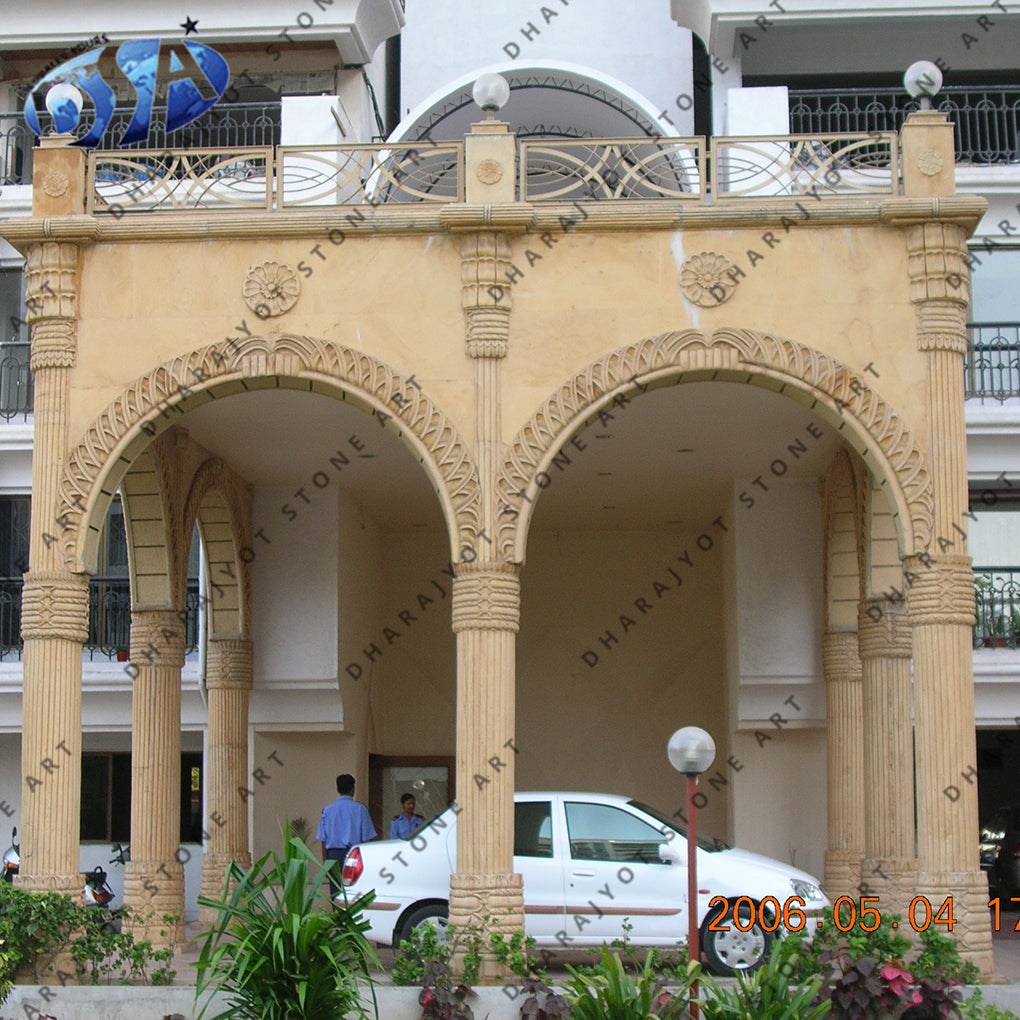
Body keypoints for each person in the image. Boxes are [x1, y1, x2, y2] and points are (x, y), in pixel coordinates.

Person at [317, 773, 376, 897]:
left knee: (336, 892)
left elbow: (323, 840)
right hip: (355, 854)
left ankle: (336, 909)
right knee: (355, 891)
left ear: (337, 789)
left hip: (333, 856)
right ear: (353, 789)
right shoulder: (360, 809)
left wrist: (325, 864)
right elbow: (367, 839)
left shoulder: (327, 810)